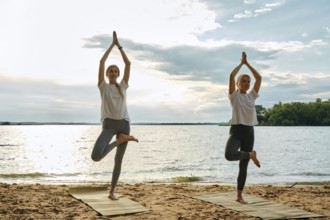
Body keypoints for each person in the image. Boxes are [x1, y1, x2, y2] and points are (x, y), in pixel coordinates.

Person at [91, 31, 138, 200]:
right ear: (106, 74)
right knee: (96, 156)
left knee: (118, 161)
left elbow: (128, 63)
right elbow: (102, 61)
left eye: (115, 71)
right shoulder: (103, 87)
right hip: (109, 125)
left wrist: (119, 46)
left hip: (124, 124)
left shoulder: (123, 86)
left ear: (118, 74)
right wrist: (111, 44)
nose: (112, 72)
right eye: (110, 71)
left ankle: (112, 192)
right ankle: (120, 140)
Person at [225, 51, 261, 204]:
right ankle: (250, 154)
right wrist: (241, 64)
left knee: (243, 167)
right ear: (239, 83)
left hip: (249, 131)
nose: (247, 83)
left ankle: (239, 196)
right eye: (244, 81)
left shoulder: (252, 95)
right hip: (236, 130)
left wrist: (248, 64)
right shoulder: (234, 96)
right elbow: (231, 76)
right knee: (229, 155)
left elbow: (259, 78)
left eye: (248, 81)